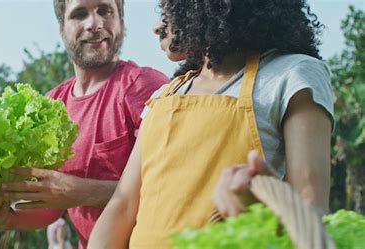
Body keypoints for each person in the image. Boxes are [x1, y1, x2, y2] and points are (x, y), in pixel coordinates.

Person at [88, 0, 334, 248]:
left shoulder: (293, 74)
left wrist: (262, 212)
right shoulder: (164, 94)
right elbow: (122, 205)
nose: (156, 26)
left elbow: (310, 212)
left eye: (167, 10)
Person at [0, 0, 168, 248]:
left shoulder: (145, 87)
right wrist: (9, 218)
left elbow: (170, 186)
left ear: (120, 20)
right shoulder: (52, 104)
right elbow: (53, 205)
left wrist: (80, 191)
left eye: (105, 11)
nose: (94, 24)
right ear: (61, 28)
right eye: (79, 14)